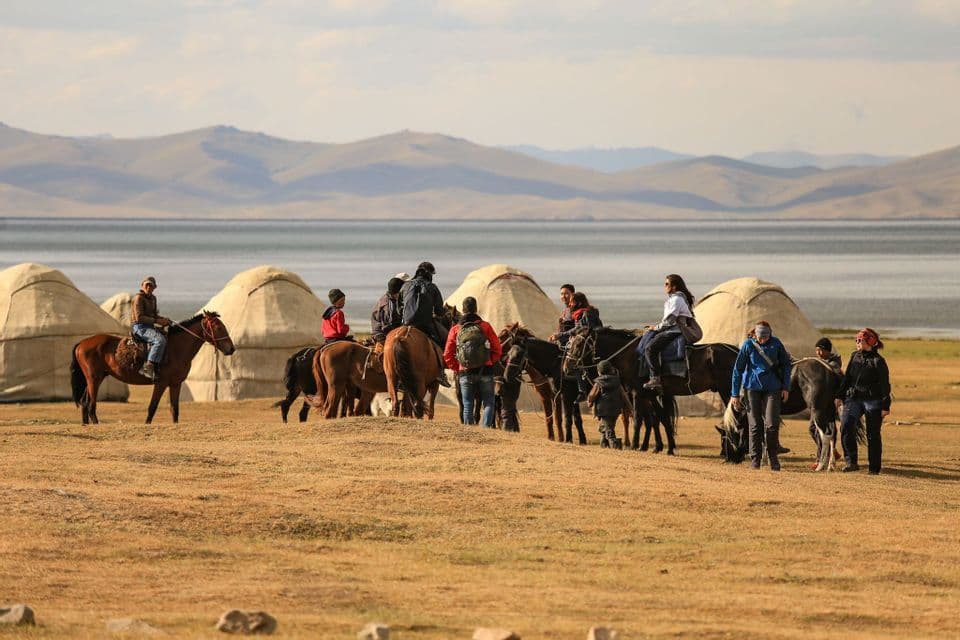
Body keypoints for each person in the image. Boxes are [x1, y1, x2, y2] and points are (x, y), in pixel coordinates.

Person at [731, 321, 792, 471]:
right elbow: (738, 370)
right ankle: (755, 459)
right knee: (755, 425)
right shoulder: (748, 345)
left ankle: (773, 457)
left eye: (765, 337)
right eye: (760, 337)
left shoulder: (776, 343)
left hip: (773, 388)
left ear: (770, 334)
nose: (762, 339)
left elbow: (786, 365)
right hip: (752, 388)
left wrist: (786, 387)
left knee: (772, 423)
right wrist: (735, 394)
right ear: (755, 335)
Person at [836, 328, 891, 474]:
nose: (857, 343)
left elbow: (885, 385)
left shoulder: (878, 361)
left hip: (873, 401)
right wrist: (839, 396)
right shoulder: (854, 356)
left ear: (870, 342)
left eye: (860, 340)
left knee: (872, 434)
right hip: (853, 399)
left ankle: (874, 468)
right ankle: (851, 462)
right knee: (846, 426)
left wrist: (885, 406)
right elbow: (847, 378)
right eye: (856, 340)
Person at [444, 296, 502, 427]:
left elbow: (447, 354)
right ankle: (485, 429)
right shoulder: (485, 326)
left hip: (464, 371)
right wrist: (489, 361)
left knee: (467, 403)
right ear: (476, 309)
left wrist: (457, 366)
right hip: (485, 371)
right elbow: (497, 349)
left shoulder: (455, 329)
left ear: (463, 310)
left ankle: (470, 432)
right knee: (488, 402)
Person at [400, 261, 451, 387]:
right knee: (445, 341)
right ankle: (441, 373)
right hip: (424, 324)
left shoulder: (405, 286)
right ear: (429, 274)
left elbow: (399, 307)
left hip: (406, 324)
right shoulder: (432, 287)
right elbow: (439, 311)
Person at [642, 274, 695, 391]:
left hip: (674, 331)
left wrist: (655, 328)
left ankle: (655, 378)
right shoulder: (674, 299)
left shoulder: (677, 300)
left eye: (667, 284)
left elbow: (670, 321)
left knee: (650, 348)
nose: (664, 286)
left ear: (674, 287)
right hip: (671, 329)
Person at [131, 276, 171, 380]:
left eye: (151, 286)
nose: (149, 287)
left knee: (167, 337)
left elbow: (154, 315)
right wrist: (157, 321)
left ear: (154, 288)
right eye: (147, 285)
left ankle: (156, 366)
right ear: (142, 286)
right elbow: (139, 318)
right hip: (140, 327)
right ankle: (147, 367)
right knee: (159, 340)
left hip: (150, 326)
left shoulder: (153, 298)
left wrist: (164, 319)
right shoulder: (138, 298)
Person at [587, 360, 631, 450]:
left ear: (599, 372)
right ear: (611, 370)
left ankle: (616, 449)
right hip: (615, 411)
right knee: (604, 428)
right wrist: (630, 407)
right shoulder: (617, 382)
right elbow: (624, 395)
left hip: (603, 410)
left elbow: (591, 396)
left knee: (609, 432)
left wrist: (590, 402)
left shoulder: (598, 383)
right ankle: (604, 447)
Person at [370, 277, 404, 351]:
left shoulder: (390, 299)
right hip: (382, 335)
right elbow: (389, 324)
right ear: (397, 292)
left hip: (383, 331)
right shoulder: (388, 305)